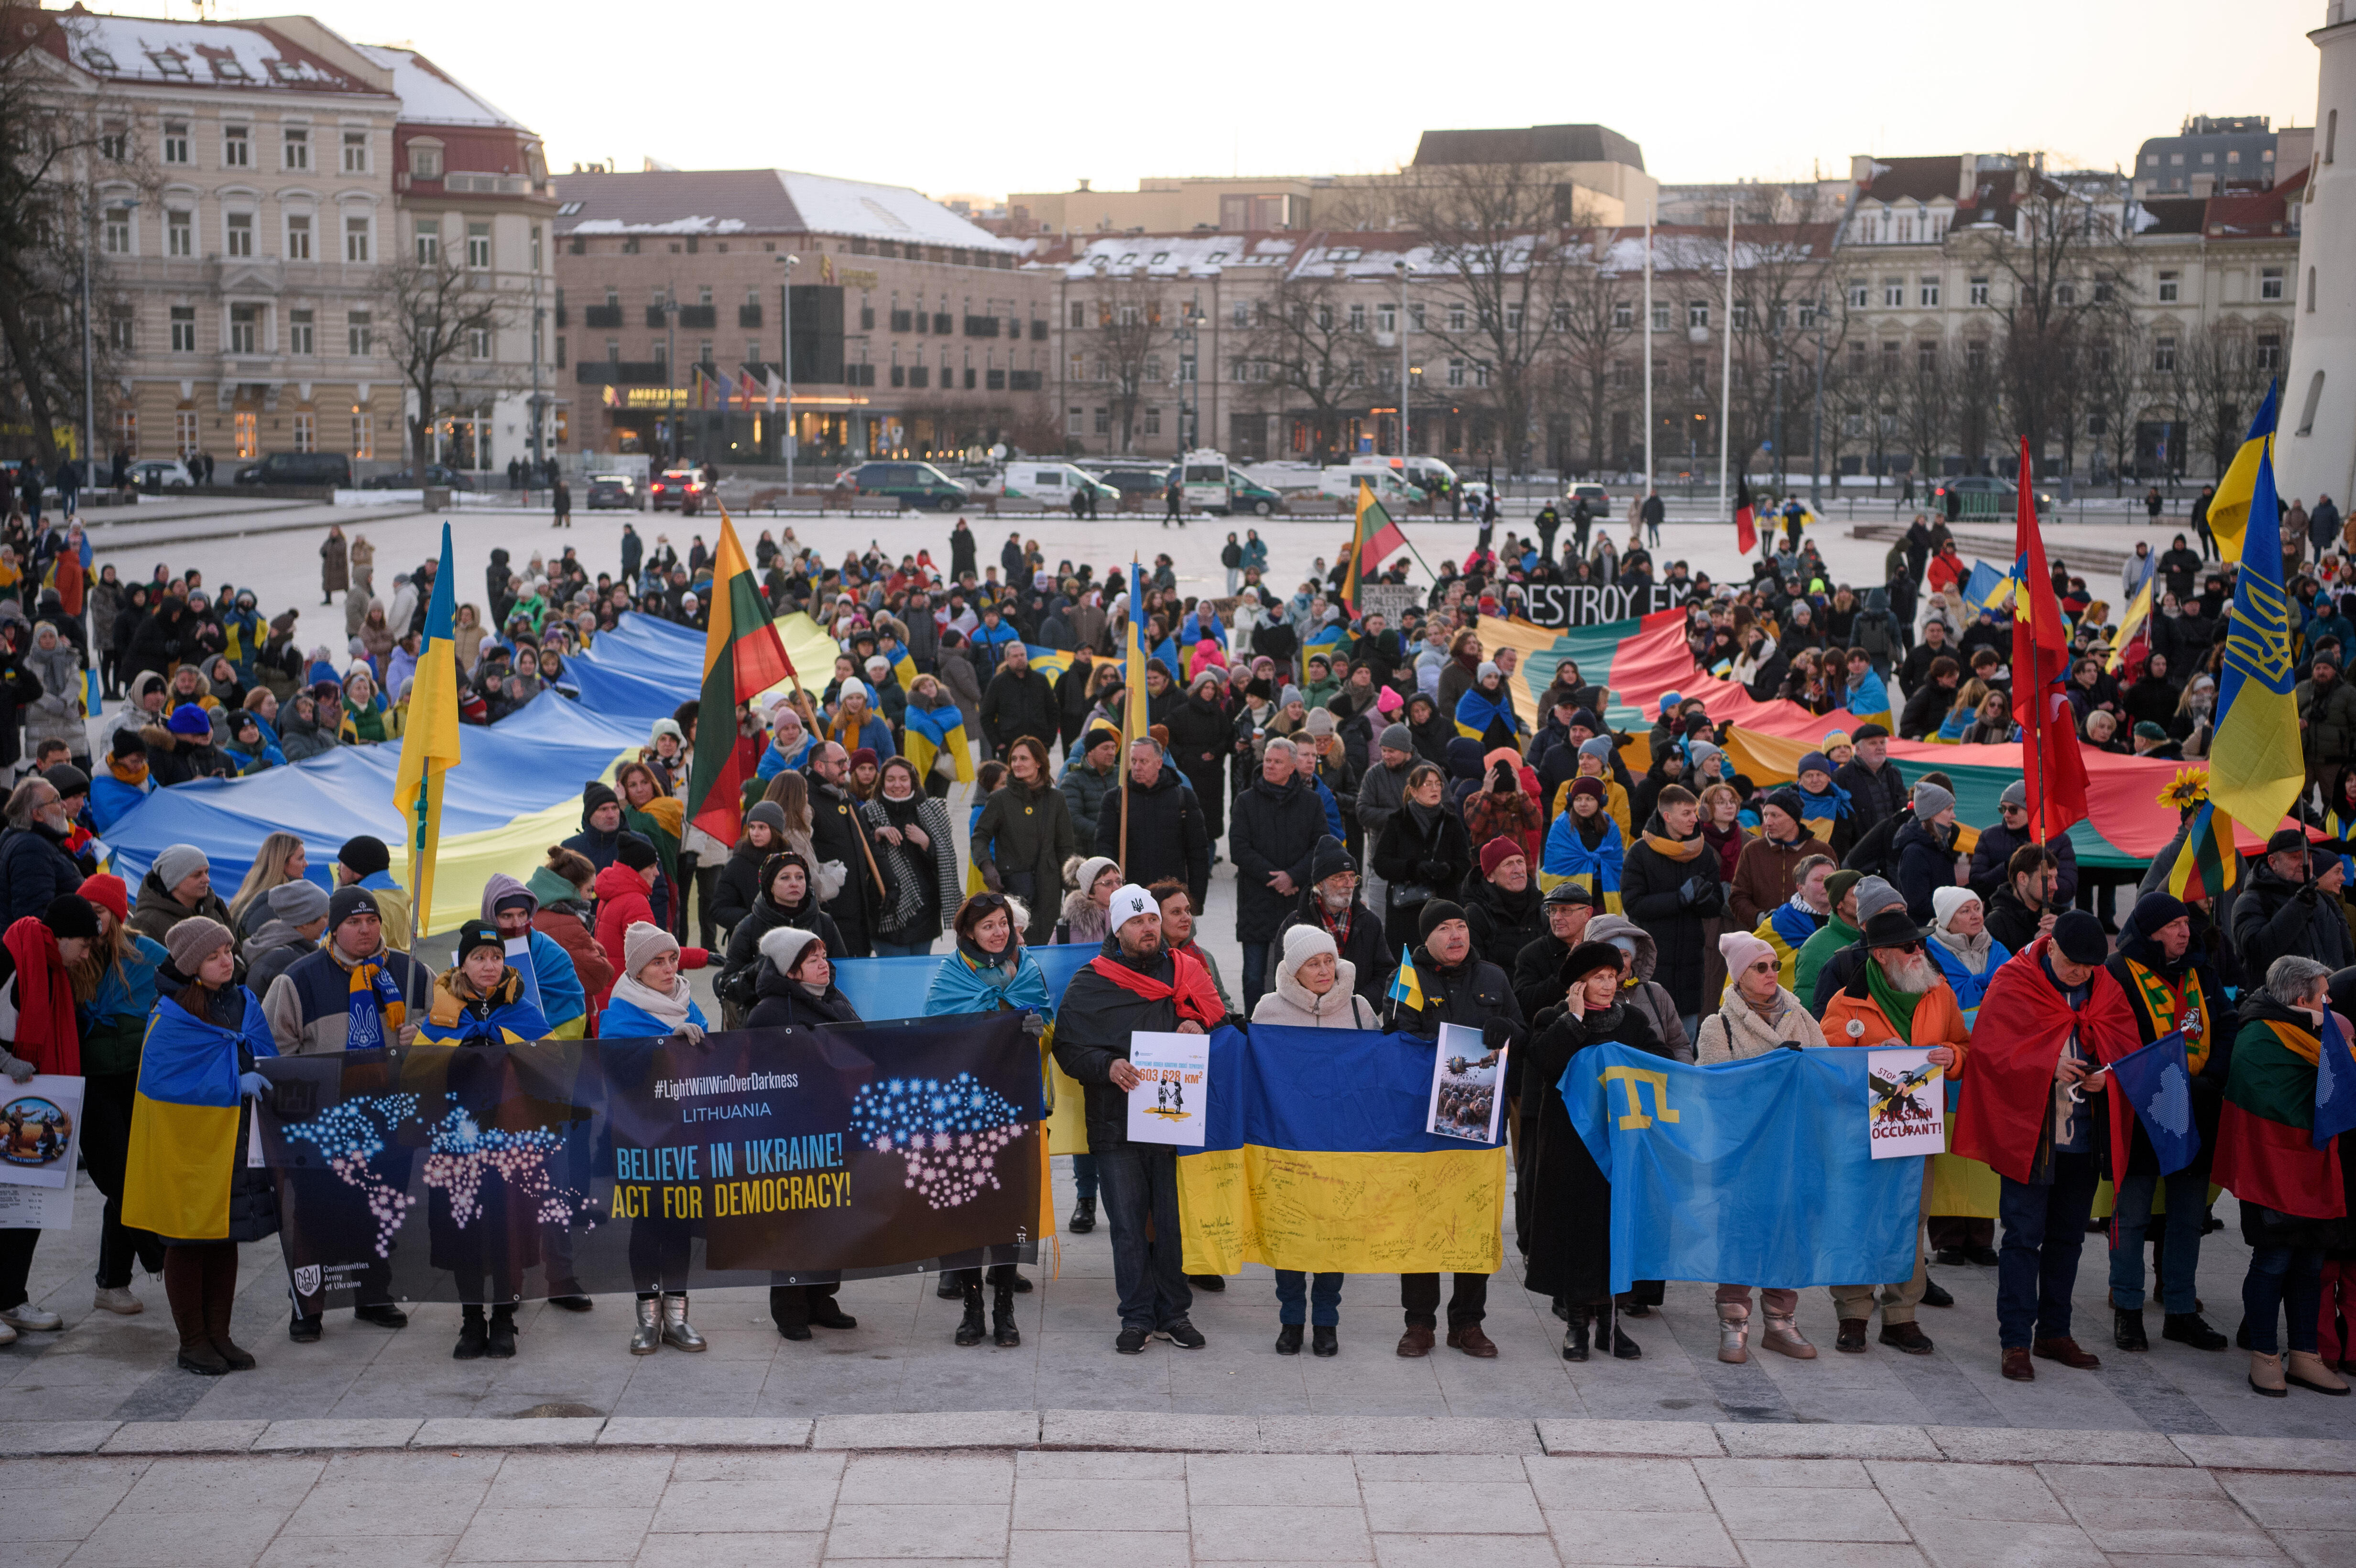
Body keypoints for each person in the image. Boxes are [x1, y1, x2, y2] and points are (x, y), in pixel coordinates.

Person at [1957, 910, 2135, 1382]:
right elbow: (1989, 1054)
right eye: (2073, 963)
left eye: (2089, 966)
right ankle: (2014, 1339)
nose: (2081, 973)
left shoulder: (2103, 986)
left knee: (2068, 1239)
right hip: (2031, 1138)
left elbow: (2124, 1044)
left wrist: (2106, 1074)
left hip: (2081, 1137)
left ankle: (2054, 1330)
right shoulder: (2014, 982)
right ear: (2050, 945)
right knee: (2020, 1238)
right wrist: (2044, 1066)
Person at [1053, 884, 1222, 1354]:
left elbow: (1220, 1016)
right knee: (1127, 1223)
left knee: (1169, 1220)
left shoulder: (1186, 970)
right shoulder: (1091, 981)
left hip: (1173, 1120)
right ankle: (1136, 1316)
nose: (1147, 928)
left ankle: (1174, 1313)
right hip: (1115, 1122)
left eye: (1151, 920)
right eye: (1136, 922)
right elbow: (1067, 1046)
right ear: (1117, 929)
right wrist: (1106, 1066)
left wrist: (1199, 1025)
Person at [122, 916, 280, 1375]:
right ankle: (192, 1342)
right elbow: (164, 1081)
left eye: (228, 951)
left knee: (223, 1236)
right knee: (188, 1239)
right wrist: (235, 1080)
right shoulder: (171, 1016)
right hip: (186, 1146)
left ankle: (220, 1335)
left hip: (231, 1137)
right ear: (192, 965)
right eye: (213, 956)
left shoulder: (243, 1001)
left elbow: (263, 1052)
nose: (226, 960)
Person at [1818, 906, 1970, 1355]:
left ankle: (1902, 1316)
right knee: (1857, 1216)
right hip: (1860, 1133)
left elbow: (1964, 1047)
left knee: (1911, 1218)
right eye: (1909, 947)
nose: (1919, 951)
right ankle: (1853, 1313)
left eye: (1920, 943)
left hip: (1916, 1130)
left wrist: (1949, 1055)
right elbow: (1827, 1064)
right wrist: (1869, 1058)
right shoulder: (1846, 1003)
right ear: (1881, 955)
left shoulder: (1939, 994)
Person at [1387, 900, 1523, 1358]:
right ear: (1426, 939)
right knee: (1424, 1222)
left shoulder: (1494, 978)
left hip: (1481, 1128)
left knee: (1474, 1224)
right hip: (1423, 1124)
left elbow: (1521, 1038)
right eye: (1444, 928)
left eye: (1461, 925)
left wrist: (1508, 1031)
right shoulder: (1408, 980)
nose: (1455, 935)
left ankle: (1467, 1323)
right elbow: (1397, 1044)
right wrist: (1451, 1053)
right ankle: (1419, 1323)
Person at [2214, 956, 2353, 1397]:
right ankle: (2264, 1356)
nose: (2330, 1002)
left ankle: (2306, 1356)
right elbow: (2265, 1103)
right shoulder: (2259, 1036)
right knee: (2272, 1263)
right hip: (2271, 1171)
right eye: (2324, 995)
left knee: (2310, 1264)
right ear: (2300, 999)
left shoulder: (2314, 1034)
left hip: (2313, 1167)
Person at [1521, 939, 1663, 1361]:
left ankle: (1612, 1327)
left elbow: (1660, 1063)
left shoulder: (1633, 1021)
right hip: (1569, 1147)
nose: (1607, 984)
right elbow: (1545, 1063)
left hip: (1619, 1144)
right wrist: (1575, 1021)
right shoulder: (1553, 1018)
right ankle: (1577, 1326)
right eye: (1597, 978)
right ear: (1579, 986)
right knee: (1575, 1233)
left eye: (1611, 976)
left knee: (1614, 1231)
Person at [2101, 892, 2231, 1355]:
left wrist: (2211, 1077)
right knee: (2132, 1214)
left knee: (2186, 1216)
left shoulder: (2201, 971)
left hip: (2195, 1108)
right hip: (2141, 1109)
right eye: (2175, 925)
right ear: (2150, 931)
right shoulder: (2117, 972)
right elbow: (2110, 1036)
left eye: (2186, 924)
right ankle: (2128, 1311)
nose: (2185, 932)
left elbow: (2225, 1025)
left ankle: (2179, 1311)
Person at [1693, 929, 1828, 1361]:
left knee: (1789, 1233)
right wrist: (1773, 1072)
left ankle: (1781, 1323)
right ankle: (1733, 1324)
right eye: (1761, 967)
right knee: (1741, 1234)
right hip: (1744, 1153)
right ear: (1738, 976)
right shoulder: (1720, 1026)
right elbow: (1714, 1091)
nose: (1772, 973)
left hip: (1795, 1146)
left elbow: (1826, 1071)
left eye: (1774, 965)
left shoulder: (1802, 1017)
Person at [1250, 925, 1380, 1357]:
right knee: (1290, 1231)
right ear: (1294, 971)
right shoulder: (1269, 1010)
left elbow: (1377, 1070)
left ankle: (1326, 1320)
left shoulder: (1360, 1008)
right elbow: (1255, 1072)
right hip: (1286, 1142)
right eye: (1313, 963)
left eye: (1329, 960)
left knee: (1334, 1233)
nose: (1325, 970)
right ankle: (1291, 1319)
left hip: (1342, 1144)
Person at [600, 922, 713, 1355]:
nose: (668, 970)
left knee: (681, 1221)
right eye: (657, 963)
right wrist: (664, 1043)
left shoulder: (689, 1005)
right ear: (637, 971)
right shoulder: (620, 1014)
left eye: (671, 960)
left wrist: (699, 1048)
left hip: (686, 1135)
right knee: (648, 1223)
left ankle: (678, 1317)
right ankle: (647, 1318)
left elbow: (711, 1068)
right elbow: (617, 1070)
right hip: (640, 1137)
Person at [66, 876, 170, 1316]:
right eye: (86, 910)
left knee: (135, 1175)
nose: (93, 919)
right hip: (90, 1083)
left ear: (117, 913)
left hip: (139, 1079)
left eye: (101, 910)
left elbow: (186, 995)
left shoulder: (149, 956)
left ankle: (111, 1284)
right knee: (119, 1178)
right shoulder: (72, 959)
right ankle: (160, 1253)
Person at [0, 895, 98, 1341]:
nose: (86, 954)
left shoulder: (57, 973)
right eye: (83, 943)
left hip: (29, 1106)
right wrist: (4, 1062)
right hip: (9, 1092)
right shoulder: (10, 958)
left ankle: (10, 1298)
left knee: (29, 1202)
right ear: (59, 936)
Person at [1229, 737, 1331, 1012]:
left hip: (1296, 903)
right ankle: (1252, 1027)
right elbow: (1238, 849)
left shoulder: (1311, 803)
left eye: (1277, 762)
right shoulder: (1245, 802)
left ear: (1292, 767)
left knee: (1295, 977)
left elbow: (1321, 846)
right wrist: (1275, 878)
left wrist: (1294, 877)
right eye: (1267, 761)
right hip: (1256, 902)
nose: (1270, 766)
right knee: (1254, 975)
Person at [971, 737, 1075, 947]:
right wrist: (987, 866)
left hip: (1049, 889)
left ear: (1039, 763)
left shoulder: (1056, 799)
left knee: (1045, 946)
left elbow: (1065, 848)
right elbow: (980, 836)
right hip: (1013, 887)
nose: (1017, 764)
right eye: (1014, 759)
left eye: (1024, 759)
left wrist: (1072, 890)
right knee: (1014, 945)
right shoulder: (1000, 799)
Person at [1094, 735, 1212, 911]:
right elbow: (1104, 848)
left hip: (1171, 897)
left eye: (1143, 761)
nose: (1137, 767)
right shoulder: (1116, 799)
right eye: (1133, 761)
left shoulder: (1184, 798)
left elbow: (1198, 853)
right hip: (1131, 896)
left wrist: (1195, 902)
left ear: (1159, 763)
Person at [1273, 837, 1388, 1009]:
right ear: (1320, 883)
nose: (1349, 884)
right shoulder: (1295, 924)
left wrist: (1357, 1004)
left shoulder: (1370, 922)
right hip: (1307, 1018)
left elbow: (1385, 974)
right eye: (1340, 877)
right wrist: (1317, 1006)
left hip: (1355, 1018)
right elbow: (1282, 976)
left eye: (1352, 877)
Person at [1375, 761, 1474, 957]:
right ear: (1413, 790)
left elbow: (1464, 862)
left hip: (1444, 906)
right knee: (1408, 968)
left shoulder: (1452, 822)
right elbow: (1381, 863)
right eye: (1428, 784)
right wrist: (1413, 869)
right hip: (1406, 909)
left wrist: (1448, 870)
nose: (1435, 789)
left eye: (1438, 784)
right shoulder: (1397, 821)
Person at [862, 756, 958, 956]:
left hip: (925, 911)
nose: (897, 785)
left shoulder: (933, 811)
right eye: (891, 779)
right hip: (885, 909)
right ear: (882, 783)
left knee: (920, 978)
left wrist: (927, 843)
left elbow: (947, 861)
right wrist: (876, 836)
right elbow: (858, 858)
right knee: (893, 979)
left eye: (903, 779)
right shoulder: (868, 812)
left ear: (913, 781)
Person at [2234, 829, 2356, 975]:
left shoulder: (2325, 900)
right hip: (2281, 998)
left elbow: (2348, 955)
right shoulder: (2252, 901)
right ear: (2273, 862)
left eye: (2308, 857)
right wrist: (2298, 906)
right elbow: (2257, 952)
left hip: (2330, 997)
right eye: (2295, 857)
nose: (2303, 863)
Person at [1512, 881, 1596, 1021]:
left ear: (1587, 914)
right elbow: (1523, 1005)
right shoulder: (1530, 954)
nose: (1557, 918)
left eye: (1565, 911)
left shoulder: (1600, 948)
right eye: (1552, 911)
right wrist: (1567, 973)